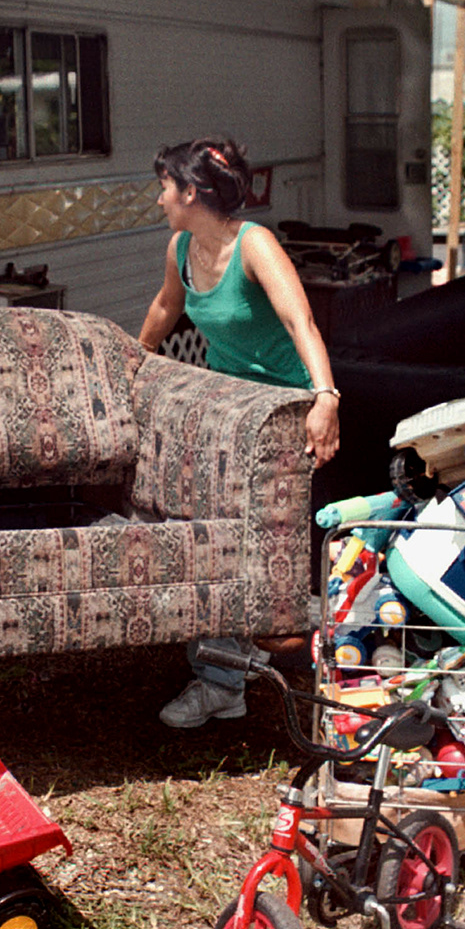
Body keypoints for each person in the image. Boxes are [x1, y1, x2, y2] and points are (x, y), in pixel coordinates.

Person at [137, 137, 341, 729]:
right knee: (215, 541)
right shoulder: (180, 246)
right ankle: (224, 678)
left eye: (165, 188)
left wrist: (324, 399)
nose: (160, 200)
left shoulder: (255, 245)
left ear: (192, 193)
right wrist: (135, 360)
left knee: (273, 552)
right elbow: (164, 308)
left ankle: (286, 658)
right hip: (228, 408)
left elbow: (299, 319)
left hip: (283, 408)